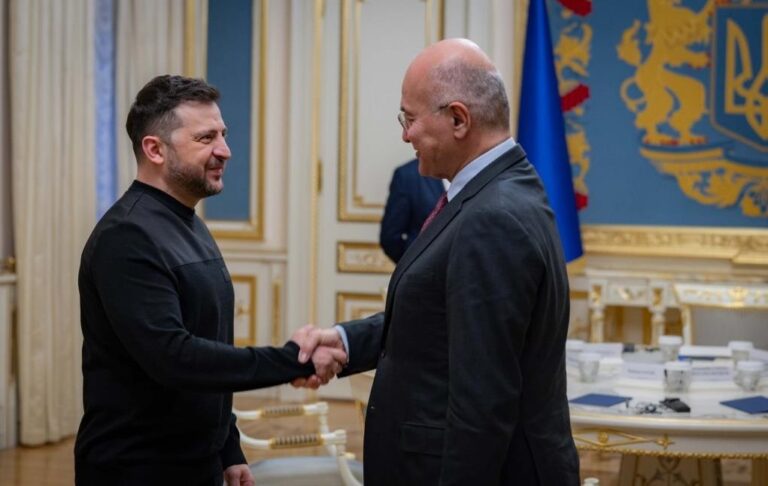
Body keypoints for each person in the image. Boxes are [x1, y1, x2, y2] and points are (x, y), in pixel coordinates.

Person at [294, 39, 580, 485]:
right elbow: (442, 319)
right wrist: (346, 341)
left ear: (458, 119)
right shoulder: (498, 191)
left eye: (409, 119)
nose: (405, 135)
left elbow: (482, 403)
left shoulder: (492, 216)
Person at [75, 75, 346, 486]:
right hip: (137, 469)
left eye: (223, 134)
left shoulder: (187, 221)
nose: (225, 150)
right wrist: (293, 359)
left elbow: (209, 345)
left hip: (195, 461)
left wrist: (227, 447)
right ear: (155, 149)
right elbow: (176, 358)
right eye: (206, 138)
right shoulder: (126, 236)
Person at [379, 158, 445, 263]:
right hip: (423, 266)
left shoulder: (473, 172)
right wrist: (412, 266)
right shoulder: (408, 175)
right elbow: (390, 237)